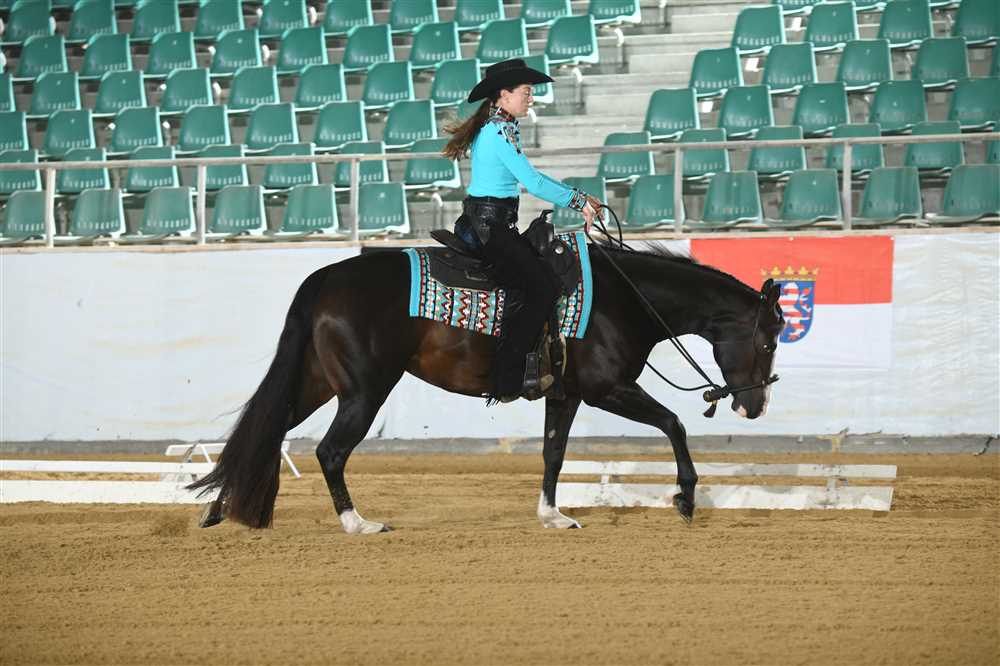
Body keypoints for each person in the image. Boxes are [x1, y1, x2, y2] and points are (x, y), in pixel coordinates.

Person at [442, 58, 604, 403]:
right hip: (490, 228)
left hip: (492, 224)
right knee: (542, 288)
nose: (531, 97)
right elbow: (532, 181)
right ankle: (507, 377)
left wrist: (578, 196)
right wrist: (578, 201)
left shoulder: (502, 128)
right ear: (504, 95)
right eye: (526, 92)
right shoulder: (498, 131)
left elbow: (533, 178)